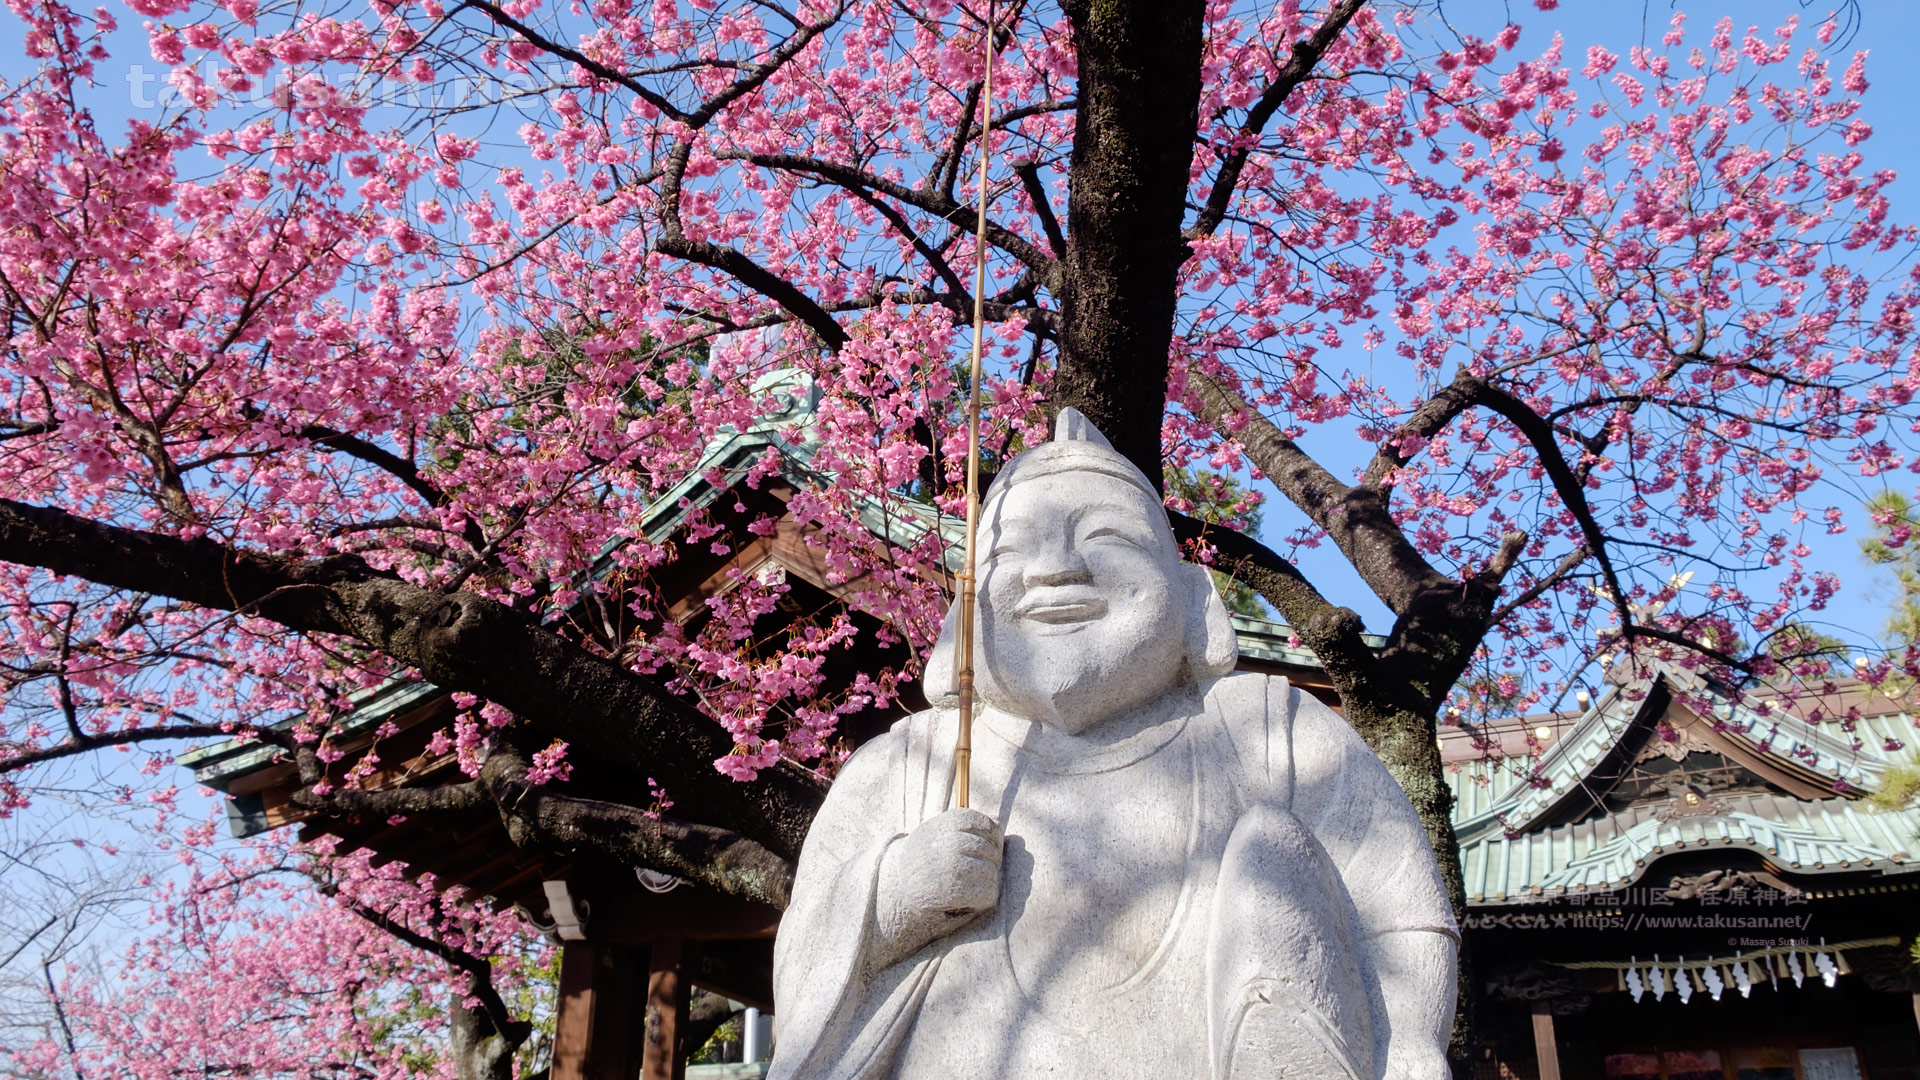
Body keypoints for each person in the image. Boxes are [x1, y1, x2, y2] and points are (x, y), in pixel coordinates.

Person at [769, 410, 1457, 1080]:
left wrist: (1407, 1050)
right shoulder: (907, 765)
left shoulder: (1267, 729)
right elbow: (800, 958)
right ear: (964, 613)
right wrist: (889, 898)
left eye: (1107, 536)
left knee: (1274, 849)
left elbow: (1399, 917)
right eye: (1008, 553)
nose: (1055, 569)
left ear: (1193, 596)